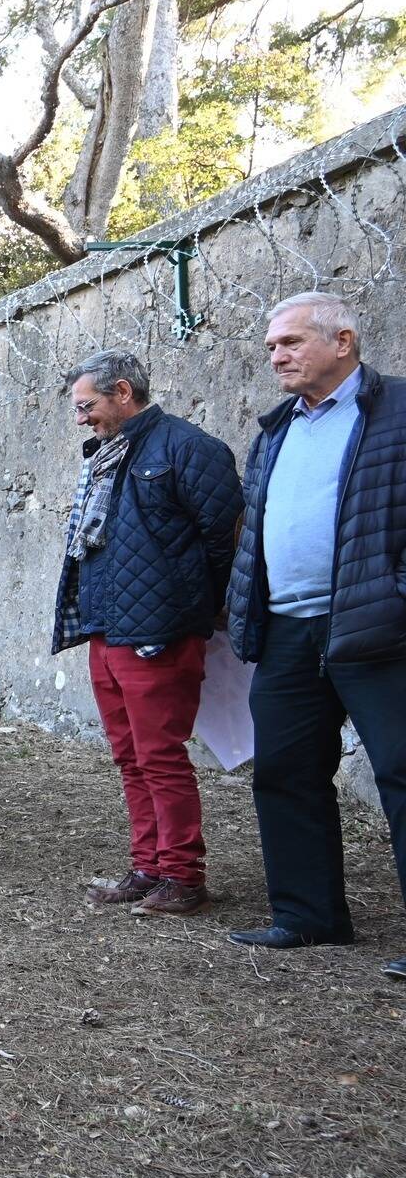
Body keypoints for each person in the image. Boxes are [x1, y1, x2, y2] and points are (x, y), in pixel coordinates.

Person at [224, 293, 406, 970]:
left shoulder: (397, 412)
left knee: (402, 771)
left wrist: (395, 597)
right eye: (272, 346)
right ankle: (309, 916)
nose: (277, 355)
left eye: (291, 342)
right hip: (288, 632)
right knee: (284, 772)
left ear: (344, 342)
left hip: (377, 628)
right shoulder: (276, 429)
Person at [52, 349, 241, 917]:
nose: (80, 418)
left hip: (159, 630)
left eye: (87, 406)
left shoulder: (188, 448)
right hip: (107, 628)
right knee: (130, 756)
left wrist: (189, 607)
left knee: (160, 756)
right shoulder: (107, 456)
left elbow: (224, 539)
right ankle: (148, 866)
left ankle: (183, 876)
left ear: (123, 393)